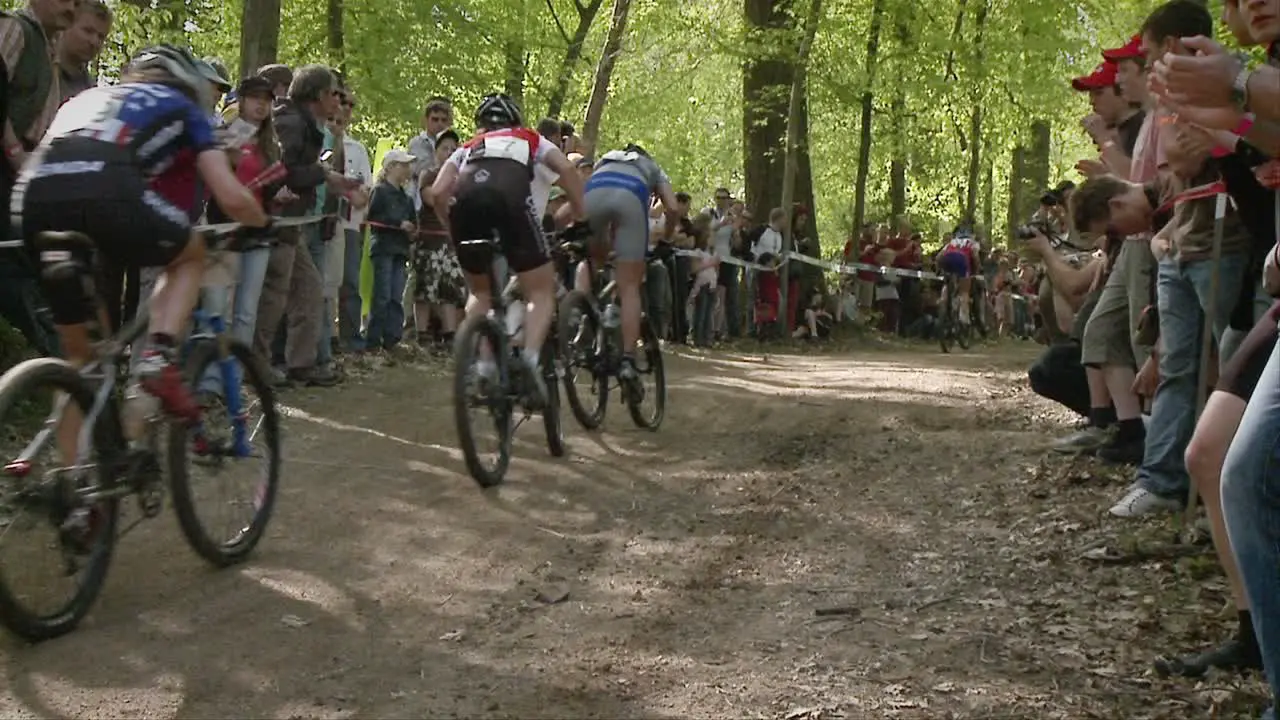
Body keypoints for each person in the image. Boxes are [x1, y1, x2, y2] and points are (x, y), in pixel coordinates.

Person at [13, 45, 269, 442]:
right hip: (107, 188)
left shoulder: (84, 98)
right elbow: (230, 195)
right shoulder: (185, 109)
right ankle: (159, 357)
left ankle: (71, 486)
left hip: (31, 197)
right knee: (189, 257)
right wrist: (260, 221)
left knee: (80, 360)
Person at [427, 93, 586, 408]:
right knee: (540, 291)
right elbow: (567, 171)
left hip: (467, 209)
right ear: (517, 120)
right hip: (513, 204)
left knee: (481, 294)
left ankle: (483, 365)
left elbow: (436, 194)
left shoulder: (469, 146)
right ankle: (529, 358)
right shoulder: (531, 138)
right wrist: (582, 215)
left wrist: (452, 229)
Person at [581, 143, 680, 390]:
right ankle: (627, 359)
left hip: (592, 194)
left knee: (593, 258)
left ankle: (584, 309)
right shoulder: (652, 167)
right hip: (631, 199)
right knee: (630, 287)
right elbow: (673, 208)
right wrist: (667, 236)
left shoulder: (605, 161)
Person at [936, 224, 981, 326]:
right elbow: (975, 257)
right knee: (964, 291)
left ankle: (944, 299)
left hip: (947, 258)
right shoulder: (972, 243)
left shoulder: (952, 242)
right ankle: (963, 317)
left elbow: (938, 257)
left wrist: (938, 270)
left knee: (947, 284)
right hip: (962, 260)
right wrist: (977, 270)